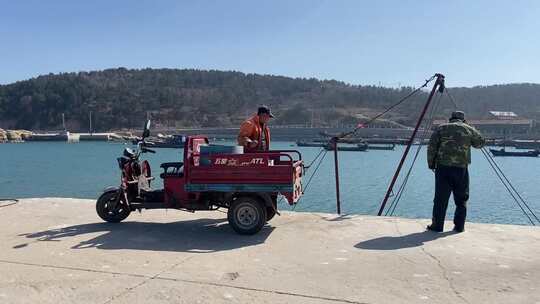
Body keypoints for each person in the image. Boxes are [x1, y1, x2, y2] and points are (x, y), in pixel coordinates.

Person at [426, 111, 485, 233]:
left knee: (440, 199)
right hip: (461, 169)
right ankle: (459, 226)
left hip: (443, 168)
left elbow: (432, 147)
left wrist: (431, 164)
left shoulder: (441, 128)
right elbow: (480, 143)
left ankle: (437, 225)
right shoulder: (468, 129)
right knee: (461, 198)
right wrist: (470, 127)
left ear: (451, 118)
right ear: (463, 120)